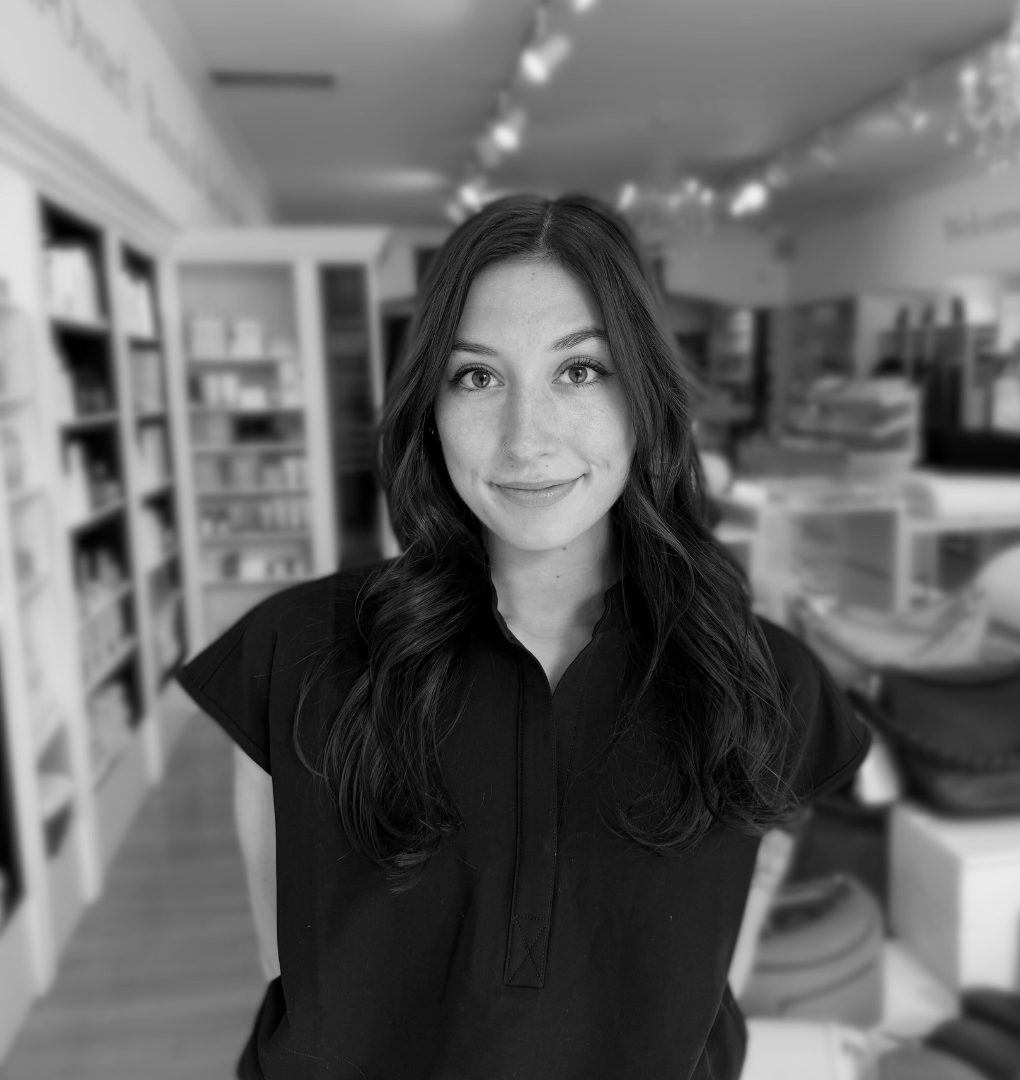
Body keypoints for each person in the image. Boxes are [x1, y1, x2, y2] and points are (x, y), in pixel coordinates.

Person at [177, 193, 870, 1080]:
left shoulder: (767, 680)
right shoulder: (298, 652)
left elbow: (723, 954)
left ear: (645, 395)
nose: (525, 438)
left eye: (580, 370)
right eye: (478, 377)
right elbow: (285, 955)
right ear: (430, 405)